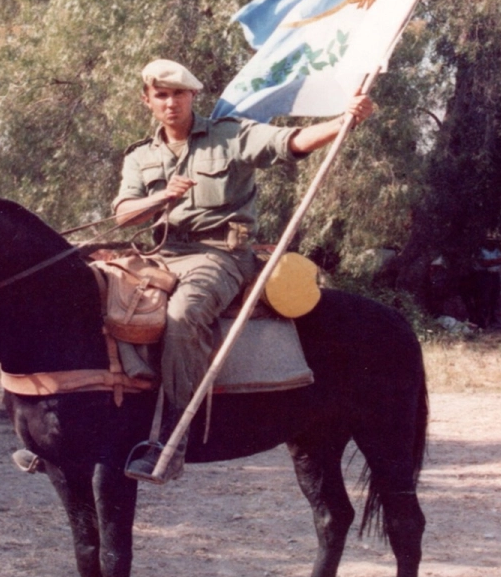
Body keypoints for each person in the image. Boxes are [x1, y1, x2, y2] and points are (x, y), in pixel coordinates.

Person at [113, 59, 374, 484]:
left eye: (179, 93)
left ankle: (173, 440)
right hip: (159, 254)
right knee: (95, 297)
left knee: (183, 317)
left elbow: (291, 142)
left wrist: (342, 120)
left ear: (193, 96)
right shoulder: (140, 156)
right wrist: (159, 199)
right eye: (161, 95)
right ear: (147, 101)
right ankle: (83, 424)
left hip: (219, 256)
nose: (171, 102)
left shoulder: (230, 135)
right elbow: (124, 214)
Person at [469, 238, 501, 328]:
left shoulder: (496, 250)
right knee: (483, 299)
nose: (492, 243)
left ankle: (492, 319)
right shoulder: (480, 251)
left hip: (495, 275)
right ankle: (481, 321)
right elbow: (483, 263)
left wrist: (492, 262)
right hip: (483, 275)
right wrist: (496, 261)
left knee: (494, 298)